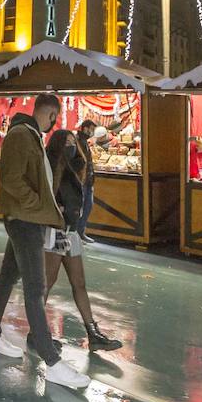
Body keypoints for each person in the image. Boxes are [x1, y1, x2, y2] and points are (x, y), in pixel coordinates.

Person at [0, 93, 90, 391]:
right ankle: (52, 362)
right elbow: (11, 178)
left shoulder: (27, 135)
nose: (54, 124)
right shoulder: (20, 135)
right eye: (55, 118)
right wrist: (36, 205)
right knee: (35, 288)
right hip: (25, 220)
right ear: (51, 114)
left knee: (7, 276)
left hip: (26, 218)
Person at [43, 129, 121, 351]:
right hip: (57, 232)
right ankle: (37, 331)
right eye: (66, 142)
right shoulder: (51, 168)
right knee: (48, 282)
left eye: (72, 142)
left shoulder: (73, 168)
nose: (70, 145)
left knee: (79, 283)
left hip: (70, 232)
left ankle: (93, 332)